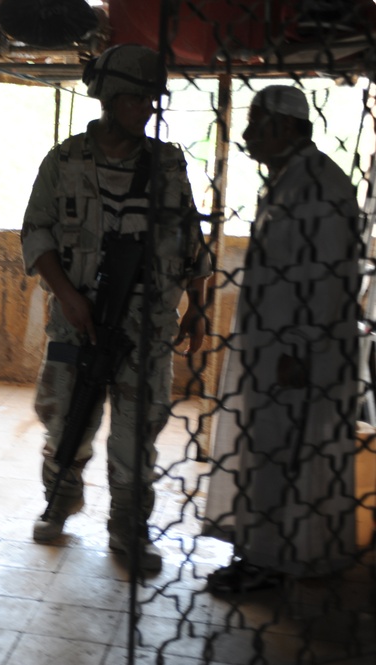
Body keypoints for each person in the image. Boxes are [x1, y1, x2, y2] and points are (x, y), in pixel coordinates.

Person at [20, 43, 209, 572]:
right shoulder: (64, 162)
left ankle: (129, 527)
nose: (145, 109)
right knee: (66, 423)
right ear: (108, 97)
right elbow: (36, 235)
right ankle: (59, 502)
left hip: (147, 326)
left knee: (136, 434)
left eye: (150, 100)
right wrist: (69, 295)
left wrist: (197, 306)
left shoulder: (167, 165)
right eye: (134, 99)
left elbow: (190, 241)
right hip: (77, 323)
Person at [203, 85, 360, 593]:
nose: (247, 134)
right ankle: (270, 553)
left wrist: (296, 348)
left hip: (296, 353)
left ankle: (266, 564)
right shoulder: (290, 180)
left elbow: (327, 276)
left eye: (258, 123)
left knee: (278, 455)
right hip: (276, 348)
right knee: (271, 452)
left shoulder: (319, 186)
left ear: (288, 128)